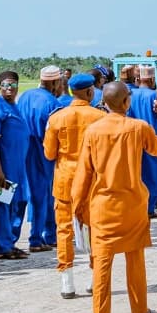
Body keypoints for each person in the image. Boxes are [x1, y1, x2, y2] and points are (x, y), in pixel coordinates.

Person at [71, 82, 157, 313]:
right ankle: (140, 312)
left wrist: (77, 208)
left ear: (104, 102)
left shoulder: (93, 131)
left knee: (102, 265)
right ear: (127, 102)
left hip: (103, 207)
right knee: (135, 260)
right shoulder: (138, 127)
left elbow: (83, 174)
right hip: (133, 206)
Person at [44, 72, 106, 299]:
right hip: (91, 182)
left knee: (64, 230)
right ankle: (94, 278)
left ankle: (67, 282)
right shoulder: (100, 117)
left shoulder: (57, 118)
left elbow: (50, 154)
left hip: (64, 181)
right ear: (90, 92)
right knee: (94, 229)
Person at [0, 71, 30, 259]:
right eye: (5, 85)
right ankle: (2, 247)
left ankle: (11, 241)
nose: (9, 89)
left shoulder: (15, 107)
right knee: (3, 205)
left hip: (18, 166)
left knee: (20, 202)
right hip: (3, 166)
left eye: (12, 85)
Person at [18, 66, 62, 252]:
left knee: (29, 195)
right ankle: (38, 238)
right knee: (43, 195)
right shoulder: (53, 103)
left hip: (24, 151)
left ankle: (46, 235)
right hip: (43, 152)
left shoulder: (25, 96)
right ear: (53, 82)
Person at [128, 66, 157, 215]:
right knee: (154, 174)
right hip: (153, 138)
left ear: (138, 79)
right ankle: (149, 208)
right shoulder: (156, 96)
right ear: (152, 79)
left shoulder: (130, 94)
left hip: (133, 139)